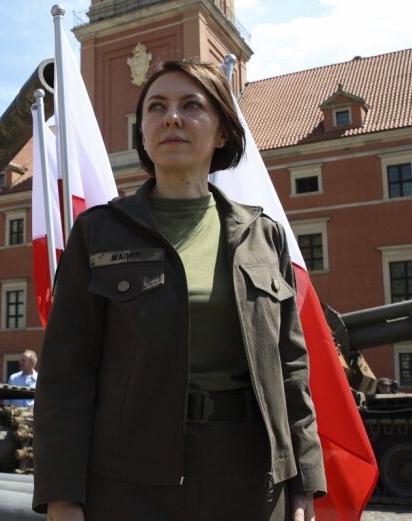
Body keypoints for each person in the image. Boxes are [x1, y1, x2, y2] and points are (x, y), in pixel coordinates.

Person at [33, 59, 326, 521]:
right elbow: (65, 375)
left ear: (223, 132)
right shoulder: (100, 232)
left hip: (252, 476)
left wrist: (305, 479)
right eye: (156, 107)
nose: (171, 117)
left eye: (192, 105)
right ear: (144, 132)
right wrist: (62, 495)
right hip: (130, 479)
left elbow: (291, 367)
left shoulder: (262, 234)